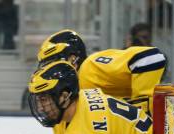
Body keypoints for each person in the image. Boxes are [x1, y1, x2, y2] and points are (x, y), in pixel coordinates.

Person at [37, 29, 166, 115]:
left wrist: (143, 110)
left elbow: (149, 58)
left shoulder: (90, 67)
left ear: (72, 59)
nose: (49, 70)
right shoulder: (71, 93)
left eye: (51, 62)